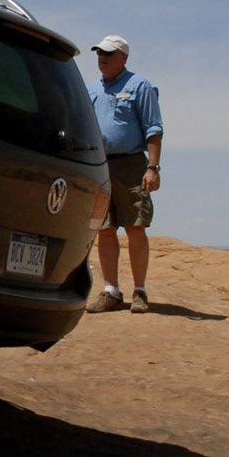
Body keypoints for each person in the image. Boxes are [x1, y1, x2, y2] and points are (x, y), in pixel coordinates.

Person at [85, 35, 163, 313]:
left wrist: (152, 168)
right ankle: (111, 291)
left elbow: (154, 129)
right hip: (99, 165)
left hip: (131, 165)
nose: (101, 58)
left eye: (108, 53)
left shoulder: (140, 86)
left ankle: (139, 291)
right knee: (104, 227)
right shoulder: (92, 90)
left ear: (123, 58)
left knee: (135, 225)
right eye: (99, 53)